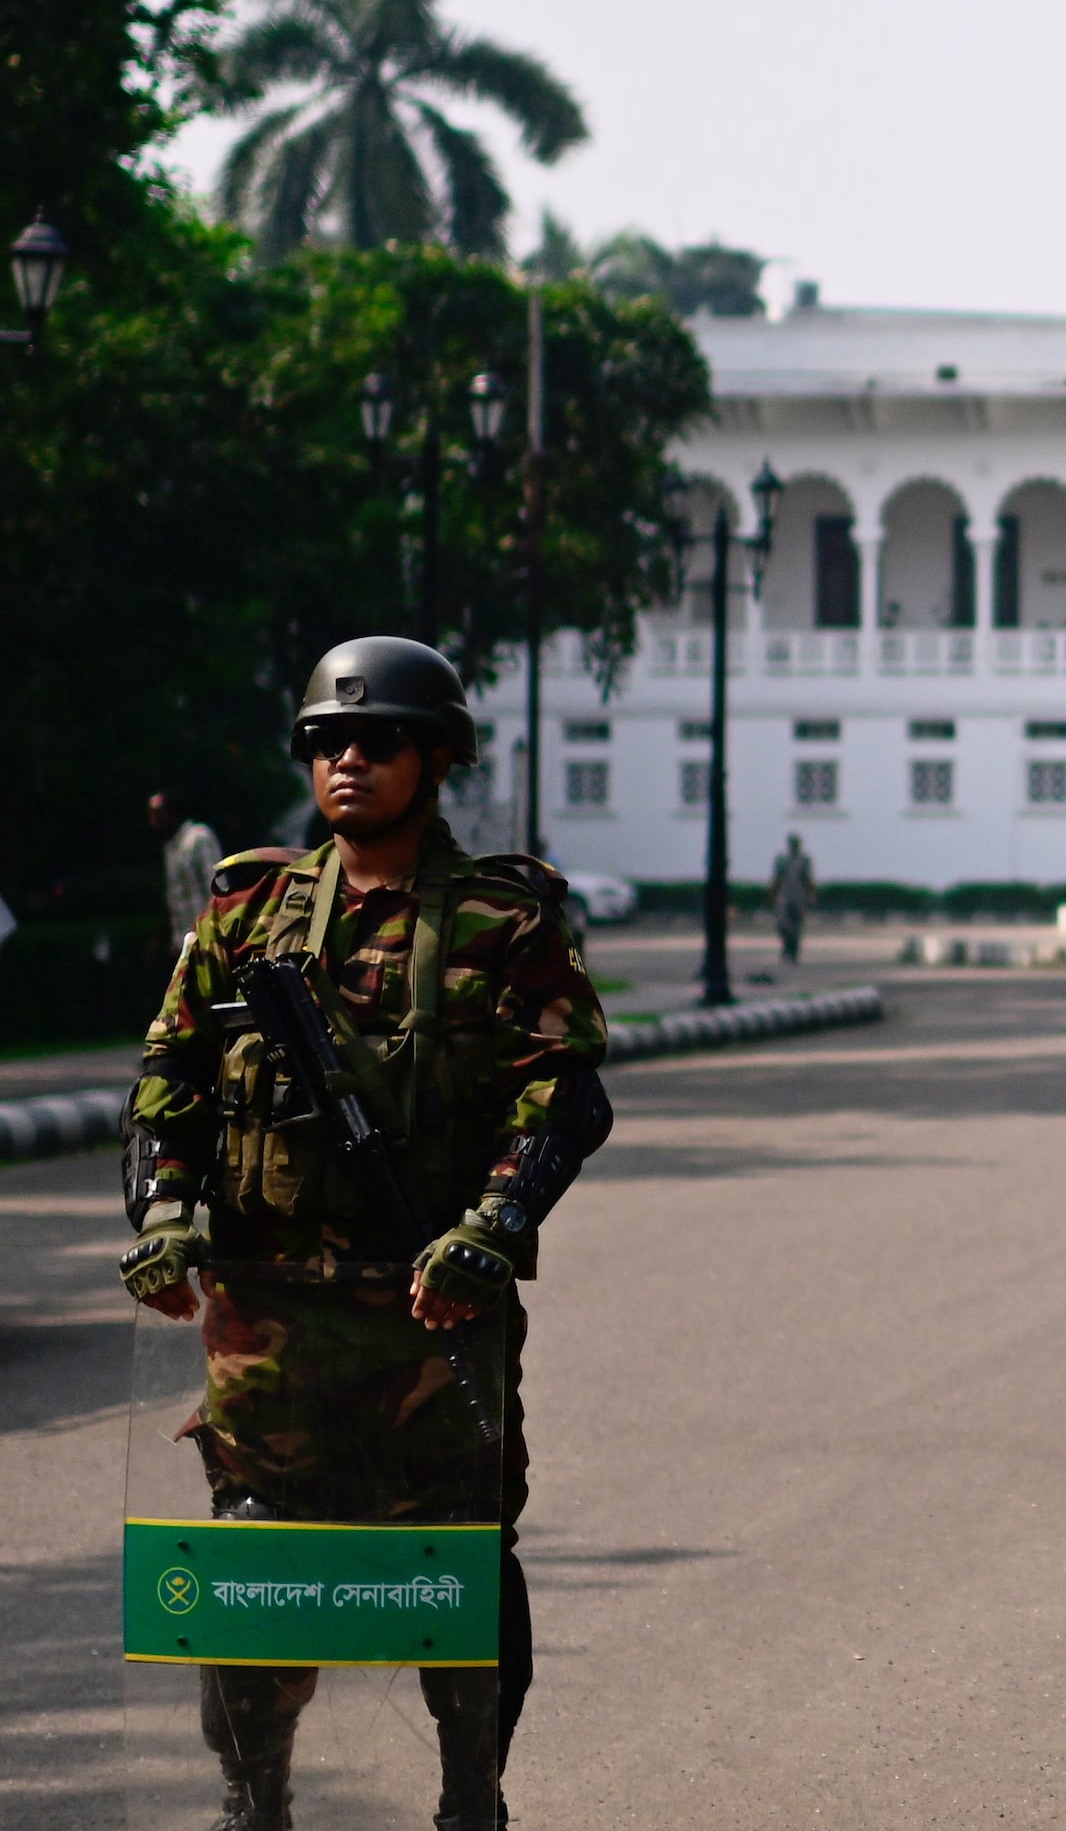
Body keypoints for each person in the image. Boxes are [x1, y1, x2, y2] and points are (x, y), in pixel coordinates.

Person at [117, 636, 612, 1831]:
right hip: (265, 1316)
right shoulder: (247, 912)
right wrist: (167, 1215)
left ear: (435, 759)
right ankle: (254, 1802)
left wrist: (491, 1228)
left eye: (378, 739)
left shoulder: (505, 919)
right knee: (253, 1575)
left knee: (460, 1560)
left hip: (433, 1308)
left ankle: (467, 1798)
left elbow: (567, 1091)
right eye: (328, 741)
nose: (348, 760)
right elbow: (169, 1073)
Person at [154, 790, 224, 940]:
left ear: (173, 812)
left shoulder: (199, 838)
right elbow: (173, 897)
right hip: (183, 939)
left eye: (158, 814)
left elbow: (216, 887)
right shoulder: (170, 848)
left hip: (206, 937)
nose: (154, 821)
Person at [769, 831, 817, 965]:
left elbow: (807, 879)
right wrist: (772, 895)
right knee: (782, 924)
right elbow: (777, 879)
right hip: (784, 895)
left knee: (796, 926)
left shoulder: (804, 861)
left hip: (799, 896)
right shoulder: (782, 860)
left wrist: (811, 894)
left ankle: (793, 951)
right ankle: (787, 946)